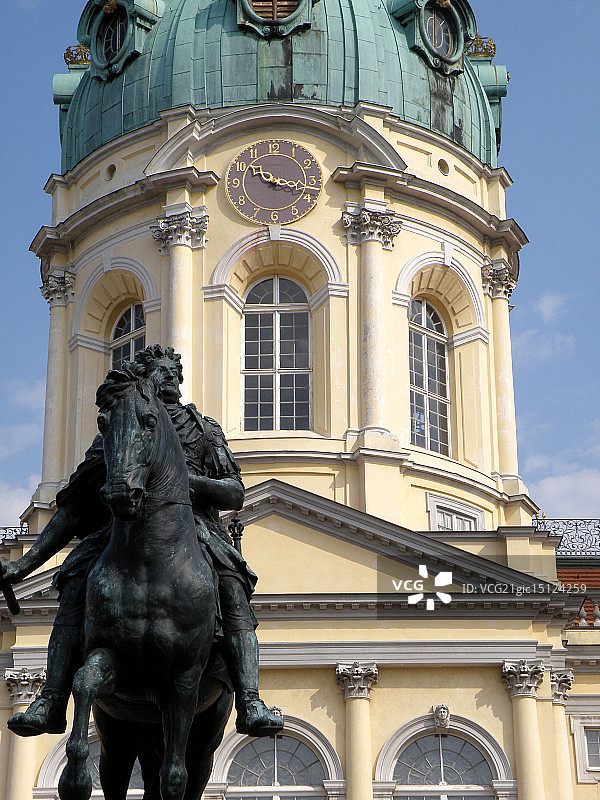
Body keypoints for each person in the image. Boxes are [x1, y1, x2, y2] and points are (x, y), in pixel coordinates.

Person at [0, 345, 283, 739]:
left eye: (174, 371)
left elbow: (233, 492)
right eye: (159, 371)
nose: (170, 376)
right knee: (75, 577)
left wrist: (186, 481)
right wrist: (24, 565)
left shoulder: (202, 429)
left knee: (232, 580)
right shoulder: (121, 425)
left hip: (194, 530)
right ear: (145, 382)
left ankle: (250, 699)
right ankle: (51, 696)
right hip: (121, 529)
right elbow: (76, 505)